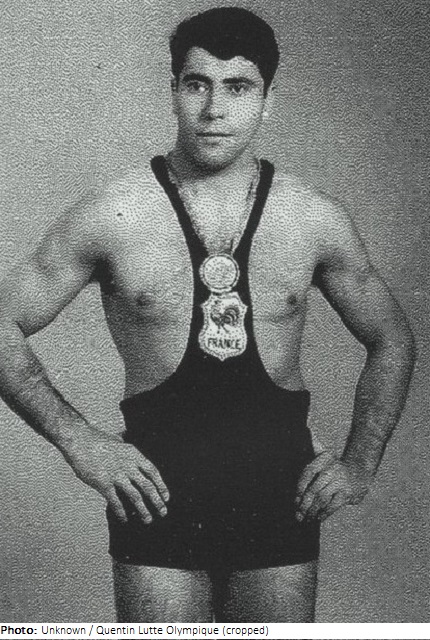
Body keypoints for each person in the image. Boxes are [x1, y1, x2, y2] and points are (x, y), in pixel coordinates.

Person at [0, 7, 415, 623]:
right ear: (173, 91)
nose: (214, 109)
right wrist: (77, 440)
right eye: (198, 85)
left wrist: (359, 464)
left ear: (268, 101)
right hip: (156, 494)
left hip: (278, 493)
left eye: (238, 88)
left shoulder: (312, 218)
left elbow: (392, 339)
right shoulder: (113, 213)